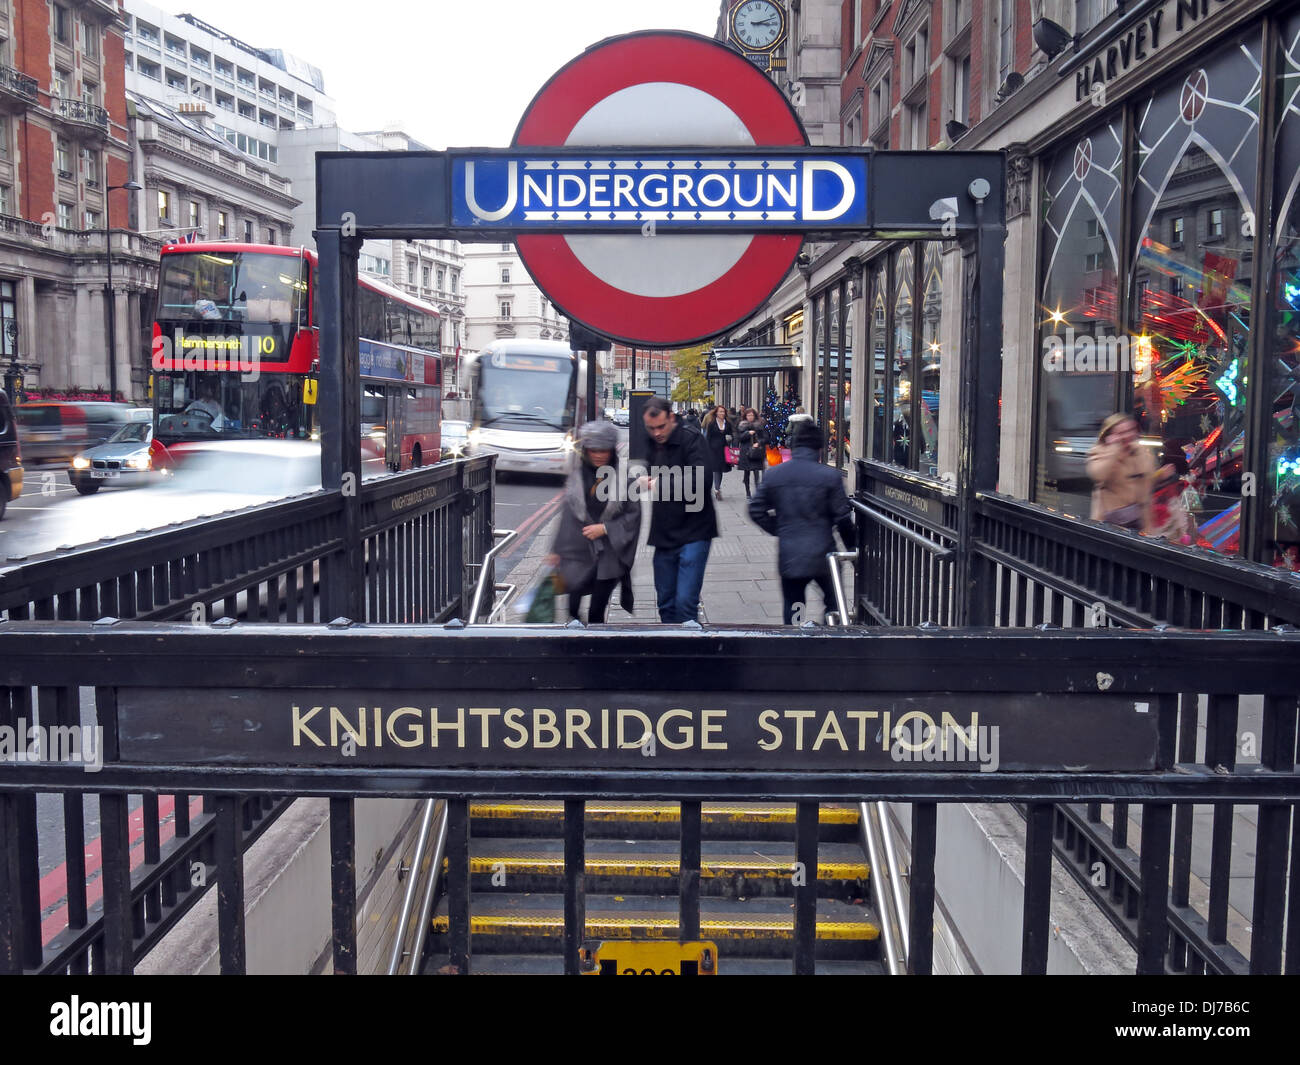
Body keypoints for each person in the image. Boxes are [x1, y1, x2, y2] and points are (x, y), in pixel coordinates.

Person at [749, 421, 856, 625]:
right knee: (833, 603)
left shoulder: (775, 474)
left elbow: (755, 509)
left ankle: (797, 635)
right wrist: (852, 548)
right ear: (819, 448)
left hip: (791, 554)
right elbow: (843, 518)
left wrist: (779, 528)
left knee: (795, 603)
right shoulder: (829, 476)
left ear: (794, 446)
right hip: (824, 554)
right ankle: (830, 634)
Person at [545, 420, 641, 623]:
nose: (598, 455)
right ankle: (576, 640)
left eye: (603, 450)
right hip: (578, 551)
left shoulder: (625, 479)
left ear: (612, 450)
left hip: (609, 555)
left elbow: (634, 516)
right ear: (585, 450)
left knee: (597, 611)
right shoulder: (577, 477)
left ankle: (596, 641)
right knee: (572, 608)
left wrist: (606, 528)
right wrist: (555, 550)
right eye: (593, 450)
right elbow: (567, 516)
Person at [641, 396, 717, 623]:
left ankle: (690, 644)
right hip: (664, 533)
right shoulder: (652, 442)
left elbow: (703, 479)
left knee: (685, 603)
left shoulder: (692, 438)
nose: (656, 433)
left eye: (661, 426)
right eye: (651, 428)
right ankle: (670, 643)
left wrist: (660, 484)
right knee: (665, 603)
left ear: (672, 418)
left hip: (695, 531)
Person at [1087, 412, 1155, 533]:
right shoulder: (1099, 451)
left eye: (1130, 430)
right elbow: (1097, 475)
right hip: (1109, 522)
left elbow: (1149, 475)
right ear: (1109, 435)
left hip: (1138, 519)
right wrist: (1113, 450)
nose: (1127, 435)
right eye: (1121, 433)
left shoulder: (1139, 450)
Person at [736, 407, 769, 499]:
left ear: (755, 416)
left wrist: (759, 443)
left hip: (757, 452)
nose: (750, 417)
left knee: (756, 472)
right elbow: (739, 438)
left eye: (752, 415)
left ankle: (757, 492)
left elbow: (766, 438)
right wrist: (748, 433)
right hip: (746, 452)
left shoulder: (759, 425)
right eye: (748, 415)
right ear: (745, 416)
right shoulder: (742, 425)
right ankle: (748, 492)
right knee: (746, 473)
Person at [703, 404, 733, 500]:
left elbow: (731, 434)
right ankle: (716, 489)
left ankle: (717, 488)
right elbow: (708, 437)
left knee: (720, 469)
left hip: (724, 449)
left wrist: (730, 438)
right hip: (713, 449)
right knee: (715, 469)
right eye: (720, 411)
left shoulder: (727, 423)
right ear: (716, 413)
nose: (722, 413)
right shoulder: (712, 423)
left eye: (723, 411)